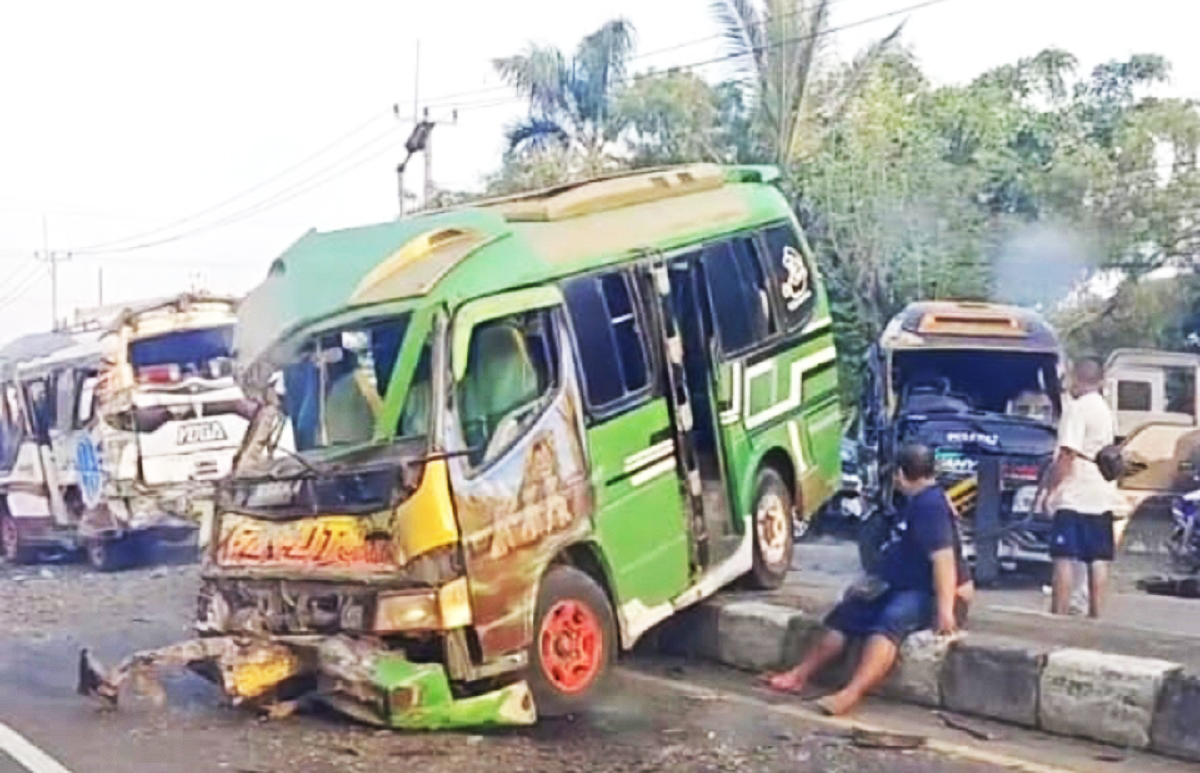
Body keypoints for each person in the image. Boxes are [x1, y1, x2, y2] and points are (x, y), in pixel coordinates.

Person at [763, 443, 970, 716]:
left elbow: (943, 560)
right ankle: (799, 675)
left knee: (889, 622)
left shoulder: (931, 506)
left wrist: (945, 610)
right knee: (848, 613)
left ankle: (851, 693)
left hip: (928, 591)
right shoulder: (916, 501)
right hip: (898, 582)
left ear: (900, 473)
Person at [1037, 358, 1118, 618]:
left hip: (1076, 492)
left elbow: (1067, 455)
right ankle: (1096, 615)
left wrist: (1050, 491)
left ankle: (1059, 615)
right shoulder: (1105, 410)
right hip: (1102, 492)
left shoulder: (1077, 409)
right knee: (1098, 558)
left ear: (1076, 378)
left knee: (1064, 556)